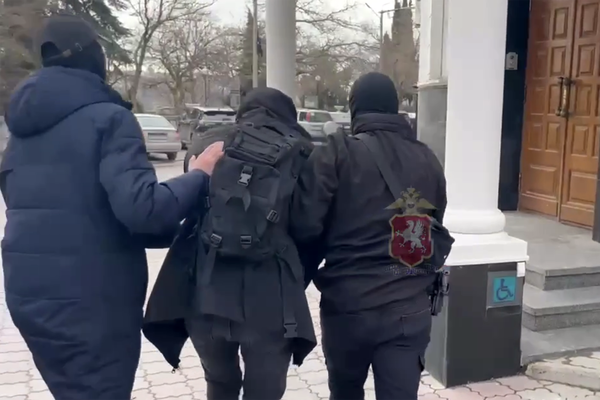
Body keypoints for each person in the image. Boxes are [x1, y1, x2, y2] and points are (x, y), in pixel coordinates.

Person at [0, 14, 224, 400]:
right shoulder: (110, 119)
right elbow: (144, 211)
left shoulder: (21, 131)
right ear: (91, 56)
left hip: (29, 298)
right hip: (91, 303)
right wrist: (200, 174)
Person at [143, 87, 318, 400]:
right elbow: (310, 230)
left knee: (219, 382)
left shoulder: (207, 143)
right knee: (265, 391)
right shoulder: (303, 154)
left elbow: (190, 210)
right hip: (271, 297)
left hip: (206, 292)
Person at [291, 72, 448, 400]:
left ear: (354, 108)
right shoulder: (427, 158)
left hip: (348, 306)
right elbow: (434, 223)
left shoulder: (336, 152)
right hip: (409, 305)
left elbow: (305, 227)